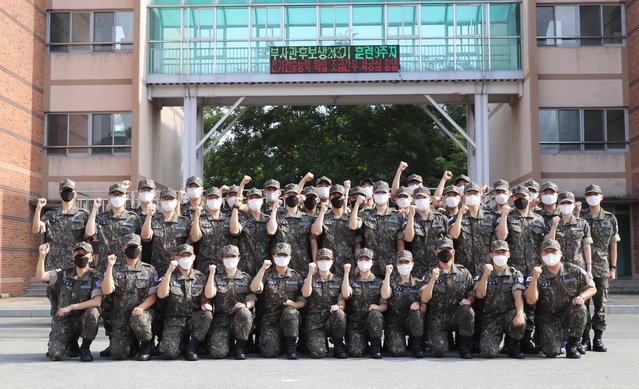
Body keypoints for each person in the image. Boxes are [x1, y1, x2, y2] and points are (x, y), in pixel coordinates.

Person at [495, 184, 546, 354]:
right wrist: (504, 214)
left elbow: (541, 245)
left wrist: (541, 265)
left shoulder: (538, 219)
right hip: (514, 268)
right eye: (517, 197)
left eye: (524, 196)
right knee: (513, 303)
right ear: (512, 199)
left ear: (530, 198)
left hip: (533, 268)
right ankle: (511, 341)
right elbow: (501, 237)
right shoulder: (508, 217)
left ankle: (526, 339)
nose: (521, 199)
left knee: (531, 305)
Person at [524, 239, 597, 359]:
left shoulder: (573, 270)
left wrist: (581, 297)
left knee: (580, 309)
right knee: (551, 352)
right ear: (541, 255)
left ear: (561, 253)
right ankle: (541, 337)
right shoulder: (536, 274)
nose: (550, 255)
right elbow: (531, 300)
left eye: (553, 251)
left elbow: (592, 288)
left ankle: (572, 345)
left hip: (567, 314)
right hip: (547, 318)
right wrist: (534, 279)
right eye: (546, 252)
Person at [36, 242, 102, 362]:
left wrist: (71, 307)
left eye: (84, 253)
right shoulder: (63, 273)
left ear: (91, 257)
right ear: (73, 256)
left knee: (93, 313)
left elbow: (97, 301)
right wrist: (42, 256)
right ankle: (71, 343)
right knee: (55, 354)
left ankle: (85, 348)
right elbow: (41, 276)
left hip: (82, 318)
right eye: (78, 253)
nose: (81, 256)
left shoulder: (95, 276)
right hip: (64, 320)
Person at [101, 233, 158, 360]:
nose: (132, 249)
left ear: (141, 248)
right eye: (129, 246)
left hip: (141, 313)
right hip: (120, 315)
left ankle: (146, 346)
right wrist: (109, 267)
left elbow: (153, 296)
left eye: (135, 246)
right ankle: (131, 345)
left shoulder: (149, 270)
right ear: (123, 248)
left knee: (139, 318)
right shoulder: (115, 269)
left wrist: (141, 308)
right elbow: (107, 290)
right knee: (117, 354)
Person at [579, 184, 621, 352]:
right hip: (583, 267)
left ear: (601, 197)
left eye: (595, 194)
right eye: (589, 194)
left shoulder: (610, 218)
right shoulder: (581, 217)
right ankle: (584, 339)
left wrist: (613, 267)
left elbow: (613, 245)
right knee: (583, 304)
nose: (592, 196)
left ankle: (598, 338)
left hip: (602, 268)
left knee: (600, 306)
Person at [419, 237, 475, 359]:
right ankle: (445, 341)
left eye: (448, 249)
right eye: (441, 249)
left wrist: (469, 300)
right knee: (438, 351)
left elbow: (472, 292)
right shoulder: (429, 273)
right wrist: (433, 280)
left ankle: (465, 346)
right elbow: (424, 298)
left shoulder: (463, 272)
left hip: (456, 314)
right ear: (436, 251)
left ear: (453, 251)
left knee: (468, 310)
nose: (445, 251)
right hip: (438, 317)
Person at [156, 244, 213, 361]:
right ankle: (181, 343)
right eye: (183, 256)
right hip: (174, 320)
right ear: (176, 258)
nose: (186, 258)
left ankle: (192, 347)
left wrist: (205, 304)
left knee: (207, 315)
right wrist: (169, 271)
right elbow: (161, 294)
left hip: (193, 319)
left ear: (194, 257)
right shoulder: (170, 276)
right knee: (168, 353)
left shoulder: (200, 277)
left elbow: (205, 297)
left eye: (189, 255)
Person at [250, 243, 306, 359]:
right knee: (269, 352)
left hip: (289, 319)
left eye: (285, 255)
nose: (281, 257)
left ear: (290, 257)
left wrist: (294, 304)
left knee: (290, 312)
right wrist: (262, 269)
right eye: (279, 255)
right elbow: (255, 288)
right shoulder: (267, 275)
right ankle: (280, 344)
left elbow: (303, 300)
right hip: (271, 320)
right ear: (273, 256)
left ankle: (291, 346)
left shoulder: (296, 276)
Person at [474, 240, 526, 359]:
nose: (500, 255)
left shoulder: (515, 274)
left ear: (508, 254)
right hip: (490, 319)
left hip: (509, 316)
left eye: (503, 252)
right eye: (497, 253)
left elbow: (518, 295)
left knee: (519, 314)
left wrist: (519, 313)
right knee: (488, 352)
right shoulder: (483, 272)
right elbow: (479, 294)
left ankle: (513, 345)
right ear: (491, 255)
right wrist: (486, 276)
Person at [206, 245, 256, 360]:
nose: (230, 259)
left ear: (239, 258)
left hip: (239, 319)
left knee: (245, 313)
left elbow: (251, 299)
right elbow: (209, 294)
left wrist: (245, 305)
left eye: (233, 256)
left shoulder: (246, 278)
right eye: (227, 257)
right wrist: (212, 274)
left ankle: (240, 347)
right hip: (222, 321)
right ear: (222, 259)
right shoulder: (217, 278)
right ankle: (228, 343)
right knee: (218, 353)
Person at [32, 179, 90, 272]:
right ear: (59, 193)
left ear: (75, 193)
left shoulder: (83, 215)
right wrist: (38, 209)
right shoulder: (51, 215)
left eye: (70, 190)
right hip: (54, 264)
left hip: (76, 265)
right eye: (64, 190)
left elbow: (89, 239)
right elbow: (36, 229)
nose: (67, 193)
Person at [349, 180, 404, 277]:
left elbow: (400, 243)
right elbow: (353, 227)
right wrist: (357, 205)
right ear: (373, 195)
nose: (380, 195)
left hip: (391, 266)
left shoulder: (397, 216)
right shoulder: (365, 215)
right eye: (377, 192)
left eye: (383, 192)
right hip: (370, 267)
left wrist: (401, 263)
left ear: (389, 195)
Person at [341, 248, 387, 358]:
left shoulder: (379, 282)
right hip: (356, 324)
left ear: (372, 262)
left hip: (372, 322)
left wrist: (378, 307)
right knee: (356, 352)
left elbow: (384, 305)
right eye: (361, 259)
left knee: (376, 314)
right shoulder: (352, 281)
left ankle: (375, 346)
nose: (364, 262)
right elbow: (346, 294)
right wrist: (346, 274)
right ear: (357, 262)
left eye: (367, 259)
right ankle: (363, 344)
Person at [301, 248, 347, 359]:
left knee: (340, 314)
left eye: (327, 259)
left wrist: (338, 306)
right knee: (318, 353)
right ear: (316, 261)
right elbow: (306, 293)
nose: (324, 262)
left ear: (332, 261)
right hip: (315, 323)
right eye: (321, 259)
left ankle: (339, 346)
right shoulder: (311, 279)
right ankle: (315, 342)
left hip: (330, 321)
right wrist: (310, 274)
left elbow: (342, 303)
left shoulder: (337, 280)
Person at [85, 182, 142, 273]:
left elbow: (139, 243)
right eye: (114, 194)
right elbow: (89, 233)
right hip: (104, 266)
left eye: (120, 194)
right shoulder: (101, 217)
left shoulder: (133, 218)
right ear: (109, 197)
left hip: (125, 269)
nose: (117, 197)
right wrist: (95, 209)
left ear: (126, 197)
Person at [380, 250, 426, 358]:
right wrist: (387, 275)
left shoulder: (418, 283)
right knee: (397, 351)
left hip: (412, 321)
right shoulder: (391, 281)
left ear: (412, 263)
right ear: (396, 264)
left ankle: (417, 344)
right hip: (395, 323)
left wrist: (418, 305)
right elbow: (385, 295)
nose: (404, 264)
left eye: (407, 262)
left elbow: (424, 307)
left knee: (417, 314)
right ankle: (390, 341)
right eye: (401, 262)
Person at [311, 184, 361, 278]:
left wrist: (358, 265)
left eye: (340, 195)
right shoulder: (322, 218)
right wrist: (322, 212)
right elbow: (315, 232)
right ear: (329, 198)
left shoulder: (352, 218)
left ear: (345, 197)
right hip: (328, 266)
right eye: (334, 195)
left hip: (347, 265)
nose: (337, 198)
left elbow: (357, 244)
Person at [448, 182, 497, 278]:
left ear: (480, 196)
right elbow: (453, 235)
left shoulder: (490, 217)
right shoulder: (457, 217)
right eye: (469, 194)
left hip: (485, 268)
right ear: (464, 196)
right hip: (464, 269)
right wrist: (460, 215)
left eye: (475, 193)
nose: (472, 196)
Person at [267, 183, 317, 274]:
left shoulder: (307, 218)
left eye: (295, 195)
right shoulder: (276, 215)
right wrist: (274, 209)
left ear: (299, 197)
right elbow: (271, 231)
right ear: (284, 196)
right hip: (282, 264)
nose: (292, 197)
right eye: (289, 195)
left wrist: (315, 263)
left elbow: (313, 243)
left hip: (302, 264)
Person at [141, 188, 190, 277]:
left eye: (171, 199)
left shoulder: (184, 222)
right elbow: (145, 236)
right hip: (158, 269)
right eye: (165, 199)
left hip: (179, 271)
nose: (168, 201)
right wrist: (149, 216)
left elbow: (191, 245)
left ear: (176, 201)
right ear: (160, 201)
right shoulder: (154, 221)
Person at [402, 186, 448, 278]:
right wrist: (411, 215)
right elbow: (408, 238)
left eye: (424, 197)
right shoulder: (410, 219)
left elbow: (449, 243)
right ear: (413, 200)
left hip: (438, 266)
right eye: (418, 198)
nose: (421, 200)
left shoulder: (441, 219)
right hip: (418, 268)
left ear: (430, 199)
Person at [190, 186, 237, 272]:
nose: (214, 200)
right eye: (210, 198)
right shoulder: (200, 219)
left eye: (216, 197)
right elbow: (194, 238)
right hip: (204, 268)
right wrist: (196, 216)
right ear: (205, 200)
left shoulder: (229, 219)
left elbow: (235, 232)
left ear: (222, 200)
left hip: (225, 269)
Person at [546, 191, 593, 276]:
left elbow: (586, 247)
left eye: (569, 202)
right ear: (558, 205)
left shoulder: (582, 223)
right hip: (559, 268)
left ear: (574, 205)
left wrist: (589, 270)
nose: (566, 205)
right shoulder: (551, 223)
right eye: (563, 203)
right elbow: (549, 244)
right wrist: (554, 226)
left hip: (578, 267)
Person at [230, 187, 272, 277]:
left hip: (265, 267)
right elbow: (234, 230)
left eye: (257, 198)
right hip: (245, 268)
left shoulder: (268, 219)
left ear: (262, 200)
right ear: (247, 201)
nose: (254, 200)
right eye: (251, 198)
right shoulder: (242, 219)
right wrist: (236, 207)